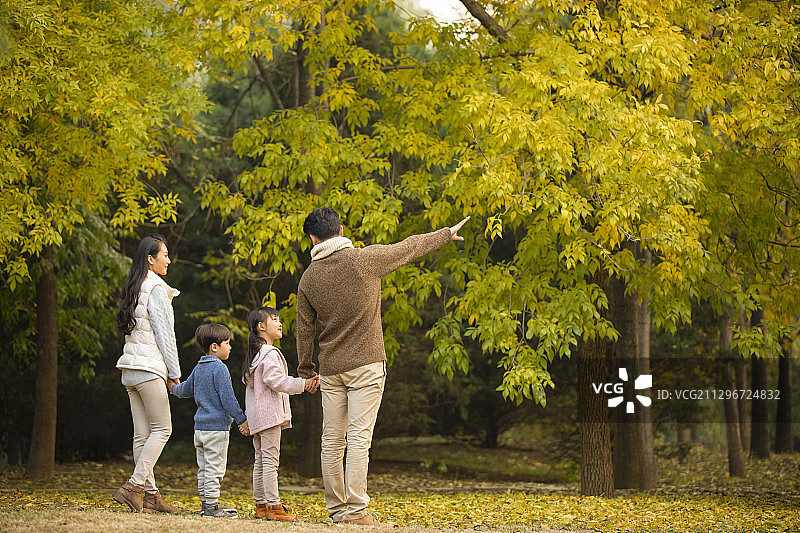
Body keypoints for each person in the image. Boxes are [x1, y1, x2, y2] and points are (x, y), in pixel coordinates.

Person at [296, 207, 469, 526]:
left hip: (331, 369)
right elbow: (409, 247)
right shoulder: (365, 259)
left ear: (313, 237)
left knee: (331, 442)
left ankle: (338, 512)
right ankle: (357, 512)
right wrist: (445, 235)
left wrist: (306, 370)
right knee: (359, 439)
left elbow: (304, 329)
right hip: (366, 364)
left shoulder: (308, 278)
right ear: (342, 229)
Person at [113, 234, 182, 514]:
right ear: (150, 259)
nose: (168, 259)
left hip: (130, 370)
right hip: (149, 368)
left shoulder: (135, 286)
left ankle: (151, 497)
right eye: (164, 254)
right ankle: (133, 486)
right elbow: (165, 335)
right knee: (163, 429)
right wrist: (174, 372)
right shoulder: (155, 288)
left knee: (142, 435)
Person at [243, 307, 319, 521]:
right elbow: (276, 380)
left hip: (258, 416)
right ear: (261, 327)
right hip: (269, 415)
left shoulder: (255, 355)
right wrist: (303, 384)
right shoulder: (270, 353)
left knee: (260, 460)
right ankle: (274, 507)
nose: (280, 323)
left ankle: (261, 505)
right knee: (270, 462)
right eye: (274, 319)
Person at [170, 323, 250, 518]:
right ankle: (212, 507)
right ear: (214, 347)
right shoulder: (220, 369)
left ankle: (206, 504)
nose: (230, 347)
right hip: (216, 429)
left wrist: (172, 387)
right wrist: (242, 419)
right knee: (215, 469)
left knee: (204, 468)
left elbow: (185, 390)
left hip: (200, 430)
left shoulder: (199, 368)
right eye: (227, 343)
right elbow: (228, 399)